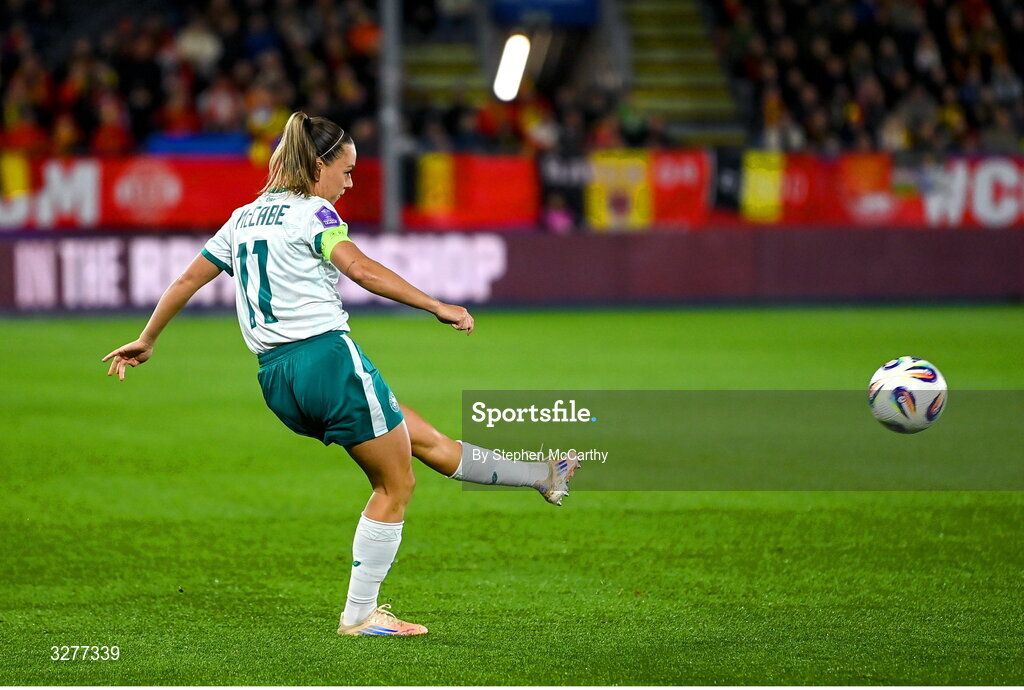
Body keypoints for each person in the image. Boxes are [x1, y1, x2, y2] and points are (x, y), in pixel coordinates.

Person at [102, 112, 579, 637]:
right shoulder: (315, 214)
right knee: (396, 483)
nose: (349, 183)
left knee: (424, 441)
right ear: (318, 165)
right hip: (327, 360)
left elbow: (188, 278)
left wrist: (148, 338)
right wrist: (434, 304)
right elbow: (360, 268)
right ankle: (360, 615)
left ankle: (543, 477)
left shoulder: (244, 217)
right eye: (345, 171)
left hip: (277, 380)